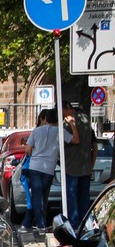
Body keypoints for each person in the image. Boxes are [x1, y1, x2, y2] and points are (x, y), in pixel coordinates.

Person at [24, 109, 79, 236]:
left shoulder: (36, 131)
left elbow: (27, 149)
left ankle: (39, 224)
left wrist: (35, 154)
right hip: (49, 168)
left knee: (37, 195)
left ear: (46, 119)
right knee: (43, 196)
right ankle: (39, 223)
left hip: (35, 167)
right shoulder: (60, 132)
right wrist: (72, 124)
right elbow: (76, 140)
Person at [62, 100, 98, 229]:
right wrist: (91, 164)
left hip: (71, 167)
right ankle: (86, 224)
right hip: (85, 167)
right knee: (84, 197)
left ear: (67, 108)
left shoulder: (65, 125)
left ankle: (75, 225)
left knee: (71, 197)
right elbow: (95, 144)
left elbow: (74, 141)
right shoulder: (86, 120)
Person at [18, 109, 48, 234]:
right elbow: (28, 150)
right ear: (42, 119)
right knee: (33, 198)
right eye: (47, 119)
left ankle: (30, 223)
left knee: (38, 197)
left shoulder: (44, 132)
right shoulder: (37, 132)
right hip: (30, 168)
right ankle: (31, 223)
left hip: (36, 168)